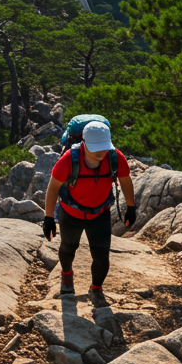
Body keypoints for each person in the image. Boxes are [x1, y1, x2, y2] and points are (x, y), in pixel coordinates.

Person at [42, 120, 137, 301]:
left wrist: (131, 207)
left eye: (104, 147)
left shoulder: (115, 157)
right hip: (71, 212)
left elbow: (125, 180)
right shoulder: (69, 160)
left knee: (102, 256)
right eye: (96, 148)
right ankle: (66, 275)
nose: (101, 153)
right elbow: (53, 187)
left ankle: (96, 288)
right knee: (68, 247)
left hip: (100, 213)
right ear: (84, 143)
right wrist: (48, 218)